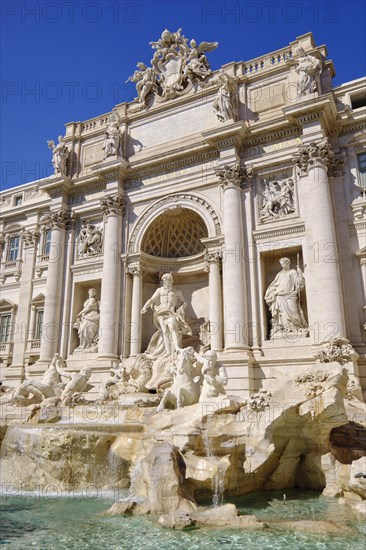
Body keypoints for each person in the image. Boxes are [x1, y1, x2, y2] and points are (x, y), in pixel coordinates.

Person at [141, 273, 192, 358]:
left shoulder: (177, 291)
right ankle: (168, 351)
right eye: (165, 280)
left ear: (172, 280)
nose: (167, 282)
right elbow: (152, 299)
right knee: (164, 331)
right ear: (163, 281)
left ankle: (176, 348)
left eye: (169, 280)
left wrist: (181, 309)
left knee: (172, 326)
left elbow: (185, 302)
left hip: (171, 313)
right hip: (161, 312)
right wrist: (144, 307)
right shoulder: (159, 290)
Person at [264, 258, 307, 336]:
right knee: (282, 313)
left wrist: (300, 274)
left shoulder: (293, 272)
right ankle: (285, 328)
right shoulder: (279, 274)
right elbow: (274, 284)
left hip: (290, 295)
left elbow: (299, 284)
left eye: (284, 263)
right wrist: (272, 292)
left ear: (288, 263)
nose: (282, 265)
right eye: (281, 264)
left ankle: (296, 327)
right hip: (279, 296)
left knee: (293, 311)